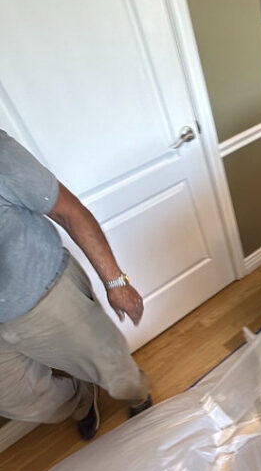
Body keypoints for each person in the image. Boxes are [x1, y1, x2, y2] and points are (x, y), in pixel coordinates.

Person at [0, 130, 151, 440]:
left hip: (47, 297)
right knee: (18, 399)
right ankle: (81, 395)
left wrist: (116, 282)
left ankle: (139, 397)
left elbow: (69, 213)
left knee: (117, 374)